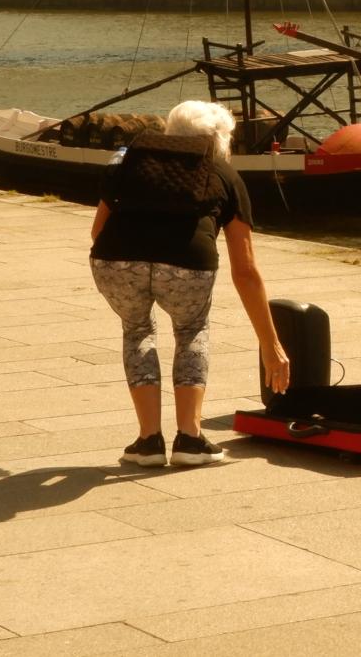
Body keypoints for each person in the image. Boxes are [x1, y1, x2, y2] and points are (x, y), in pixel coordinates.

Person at [87, 101, 291, 467]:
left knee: (136, 331)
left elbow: (97, 231)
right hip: (186, 266)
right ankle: (190, 440)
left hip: (115, 261)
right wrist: (270, 343)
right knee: (191, 330)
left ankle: (148, 442)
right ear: (219, 140)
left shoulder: (126, 161)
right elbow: (245, 270)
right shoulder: (224, 174)